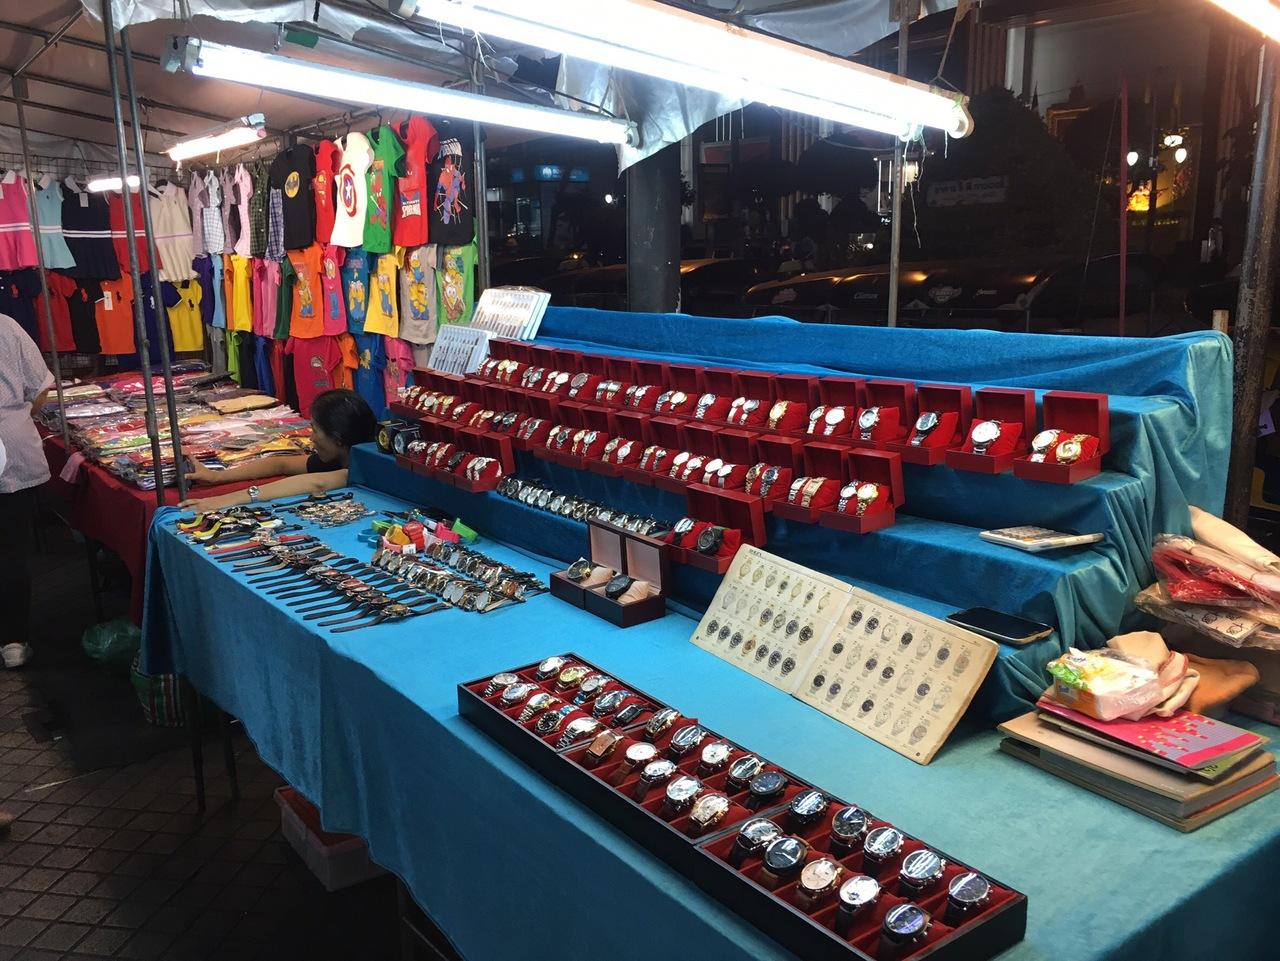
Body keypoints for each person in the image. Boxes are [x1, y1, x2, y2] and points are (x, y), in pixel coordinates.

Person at [179, 388, 376, 512]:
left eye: (315, 430)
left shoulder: (363, 466)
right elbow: (280, 464)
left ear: (338, 439)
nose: (311, 438)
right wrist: (216, 477)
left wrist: (220, 501)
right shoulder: (339, 454)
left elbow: (317, 483)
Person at [0, 313, 55, 669]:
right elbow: (40, 388)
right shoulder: (6, 326)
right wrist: (17, 415)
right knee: (12, 549)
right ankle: (13, 641)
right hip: (11, 442)